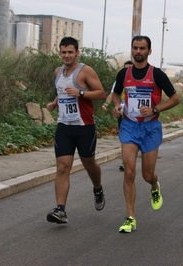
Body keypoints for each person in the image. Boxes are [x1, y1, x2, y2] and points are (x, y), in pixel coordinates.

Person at [112, 35, 179, 233]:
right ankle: (130, 217)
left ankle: (155, 185)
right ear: (132, 49)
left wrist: (156, 109)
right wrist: (117, 106)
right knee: (129, 172)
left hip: (150, 128)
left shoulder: (157, 74)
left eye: (142, 48)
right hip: (129, 126)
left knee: (146, 174)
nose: (138, 51)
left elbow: (174, 99)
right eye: (135, 48)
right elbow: (116, 94)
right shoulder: (123, 74)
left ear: (149, 51)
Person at [46, 37, 106, 224]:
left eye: (70, 52)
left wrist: (80, 93)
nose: (67, 55)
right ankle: (60, 210)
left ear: (77, 52)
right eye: (63, 52)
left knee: (89, 164)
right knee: (63, 167)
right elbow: (62, 92)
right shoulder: (58, 72)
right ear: (60, 53)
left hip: (84, 127)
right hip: (64, 126)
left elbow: (101, 93)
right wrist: (55, 102)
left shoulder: (85, 70)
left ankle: (97, 187)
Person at [102, 60, 134, 171]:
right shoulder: (120, 80)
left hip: (136, 115)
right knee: (124, 137)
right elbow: (113, 94)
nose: (127, 70)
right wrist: (106, 104)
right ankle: (125, 161)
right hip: (122, 112)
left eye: (130, 68)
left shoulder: (138, 80)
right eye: (125, 68)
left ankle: (132, 156)